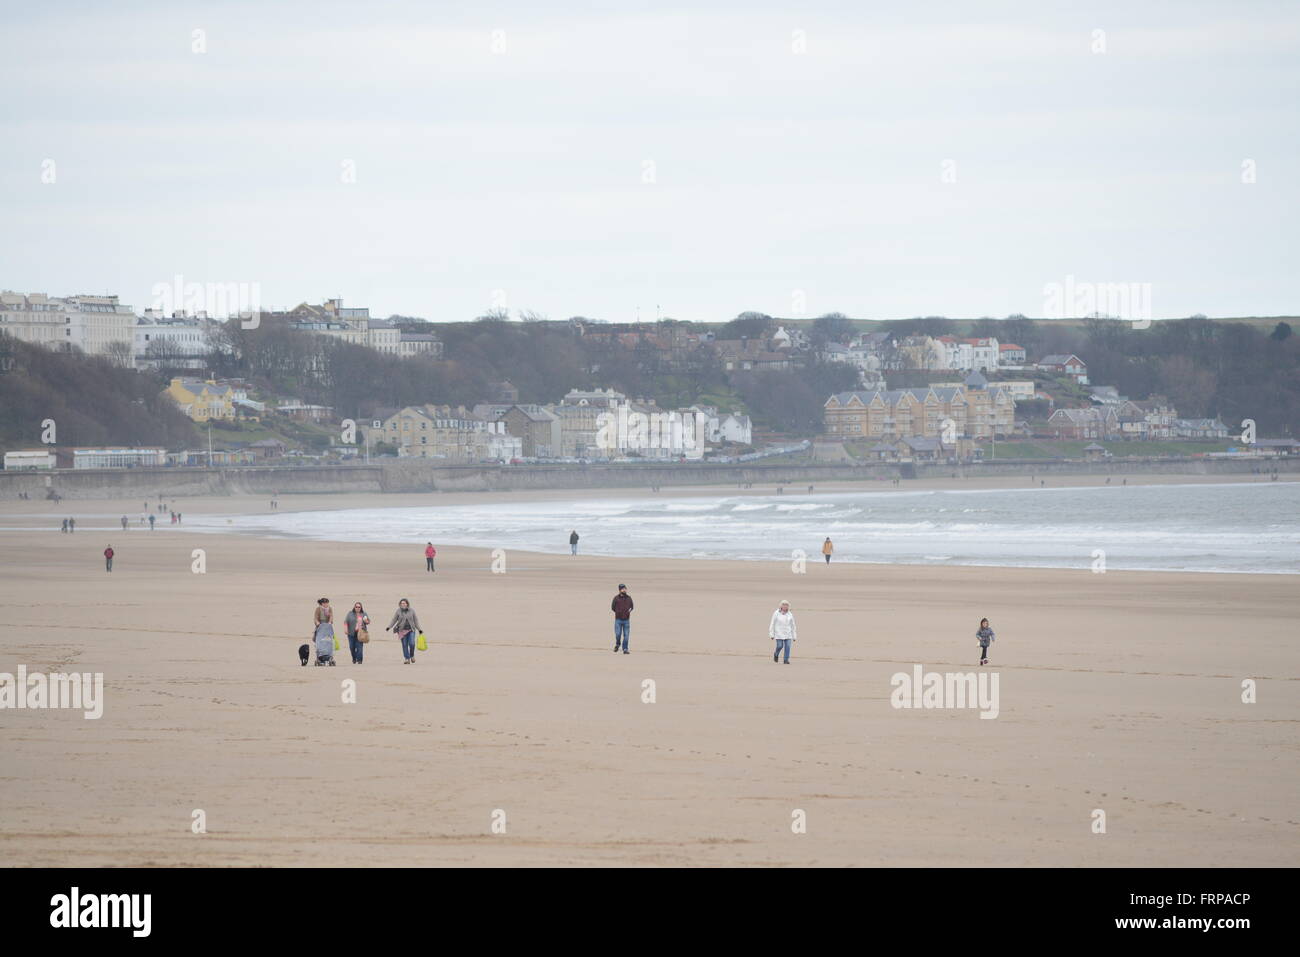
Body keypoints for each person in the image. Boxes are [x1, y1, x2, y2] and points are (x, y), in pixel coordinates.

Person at [387, 599, 421, 664]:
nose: (403, 604)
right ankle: (407, 659)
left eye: (404, 603)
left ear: (407, 604)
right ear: (400, 604)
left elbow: (416, 620)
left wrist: (419, 629)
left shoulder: (412, 611)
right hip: (401, 630)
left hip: (411, 630)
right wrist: (389, 627)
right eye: (402, 603)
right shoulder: (398, 611)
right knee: (404, 645)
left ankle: (412, 655)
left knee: (412, 643)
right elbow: (394, 620)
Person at [611, 584, 633, 653]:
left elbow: (632, 606)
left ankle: (625, 649)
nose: (625, 590)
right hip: (618, 620)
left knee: (626, 636)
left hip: (626, 620)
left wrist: (629, 611)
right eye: (623, 589)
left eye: (625, 588)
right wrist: (618, 612)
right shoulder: (616, 598)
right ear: (620, 590)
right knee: (618, 634)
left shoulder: (629, 598)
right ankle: (618, 644)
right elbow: (613, 607)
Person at [314, 597, 336, 665]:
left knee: (329, 640)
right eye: (324, 603)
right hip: (320, 626)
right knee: (319, 641)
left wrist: (330, 622)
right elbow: (315, 617)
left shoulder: (329, 609)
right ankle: (319, 656)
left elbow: (331, 616)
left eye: (327, 603)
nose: (326, 604)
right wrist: (317, 623)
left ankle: (329, 655)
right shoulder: (318, 609)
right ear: (322, 603)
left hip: (328, 627)